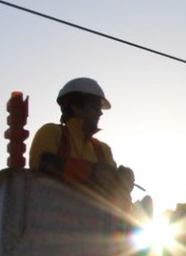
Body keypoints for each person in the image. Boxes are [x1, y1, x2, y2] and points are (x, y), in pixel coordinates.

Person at [29, 77, 135, 205]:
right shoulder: (51, 132)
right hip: (51, 215)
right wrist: (92, 173)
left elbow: (113, 192)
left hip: (92, 221)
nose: (100, 113)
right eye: (95, 107)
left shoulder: (103, 149)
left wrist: (124, 182)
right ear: (76, 106)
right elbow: (41, 163)